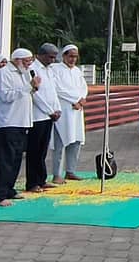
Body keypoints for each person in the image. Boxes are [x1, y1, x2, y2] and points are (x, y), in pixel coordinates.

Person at [0, 48, 35, 206]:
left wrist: (31, 87)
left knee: (16, 158)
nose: (30, 64)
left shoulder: (24, 73)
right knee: (5, 159)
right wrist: (29, 87)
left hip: (21, 121)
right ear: (18, 60)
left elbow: (25, 94)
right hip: (8, 122)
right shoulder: (4, 73)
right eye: (27, 61)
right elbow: (6, 95)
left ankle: (9, 189)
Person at [25, 44, 62, 193]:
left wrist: (57, 108)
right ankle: (32, 182)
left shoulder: (49, 70)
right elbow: (36, 94)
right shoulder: (32, 69)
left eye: (54, 57)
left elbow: (53, 91)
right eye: (50, 57)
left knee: (42, 150)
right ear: (40, 55)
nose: (52, 60)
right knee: (34, 150)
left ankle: (41, 179)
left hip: (49, 115)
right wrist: (49, 110)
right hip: (37, 116)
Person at [50, 44, 87, 183]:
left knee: (76, 141)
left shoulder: (77, 71)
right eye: (70, 56)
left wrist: (82, 99)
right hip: (64, 110)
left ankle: (70, 170)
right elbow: (58, 89)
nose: (73, 59)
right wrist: (75, 100)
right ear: (64, 56)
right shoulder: (56, 69)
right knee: (60, 143)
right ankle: (57, 174)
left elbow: (84, 87)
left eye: (75, 56)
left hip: (77, 111)